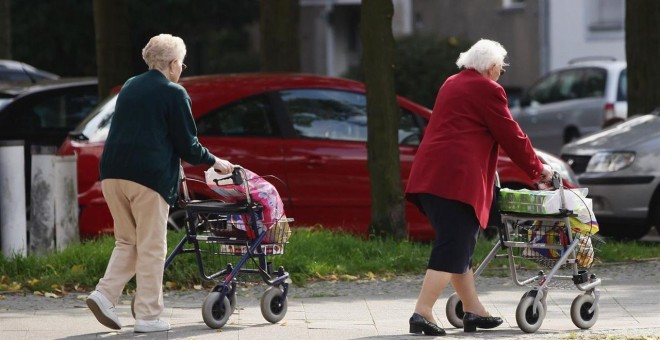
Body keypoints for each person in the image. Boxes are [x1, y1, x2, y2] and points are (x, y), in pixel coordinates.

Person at [86, 33, 235, 333]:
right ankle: (148, 316)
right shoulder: (174, 93)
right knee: (153, 247)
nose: (182, 68)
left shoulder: (130, 86)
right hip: (149, 179)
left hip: (113, 174)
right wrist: (214, 161)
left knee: (129, 242)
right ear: (172, 64)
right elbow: (187, 144)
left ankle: (104, 295)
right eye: (182, 62)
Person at [405, 39, 553, 336]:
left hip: (431, 176)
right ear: (492, 66)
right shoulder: (487, 88)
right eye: (501, 67)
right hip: (456, 181)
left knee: (460, 247)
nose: (502, 73)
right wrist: (539, 169)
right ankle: (422, 311)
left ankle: (473, 311)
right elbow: (511, 134)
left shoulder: (452, 82)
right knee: (453, 245)